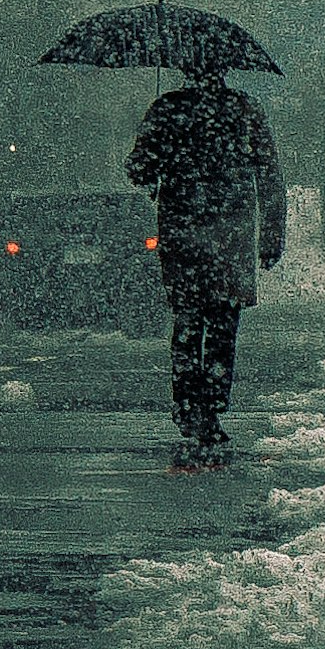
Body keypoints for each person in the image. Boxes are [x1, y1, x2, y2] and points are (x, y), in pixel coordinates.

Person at [125, 62, 284, 474]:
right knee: (223, 325)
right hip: (229, 236)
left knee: (188, 322)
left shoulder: (168, 109)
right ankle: (211, 406)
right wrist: (271, 235)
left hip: (182, 231)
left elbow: (140, 169)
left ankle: (187, 404)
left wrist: (156, 162)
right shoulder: (244, 110)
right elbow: (269, 176)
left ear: (184, 67)